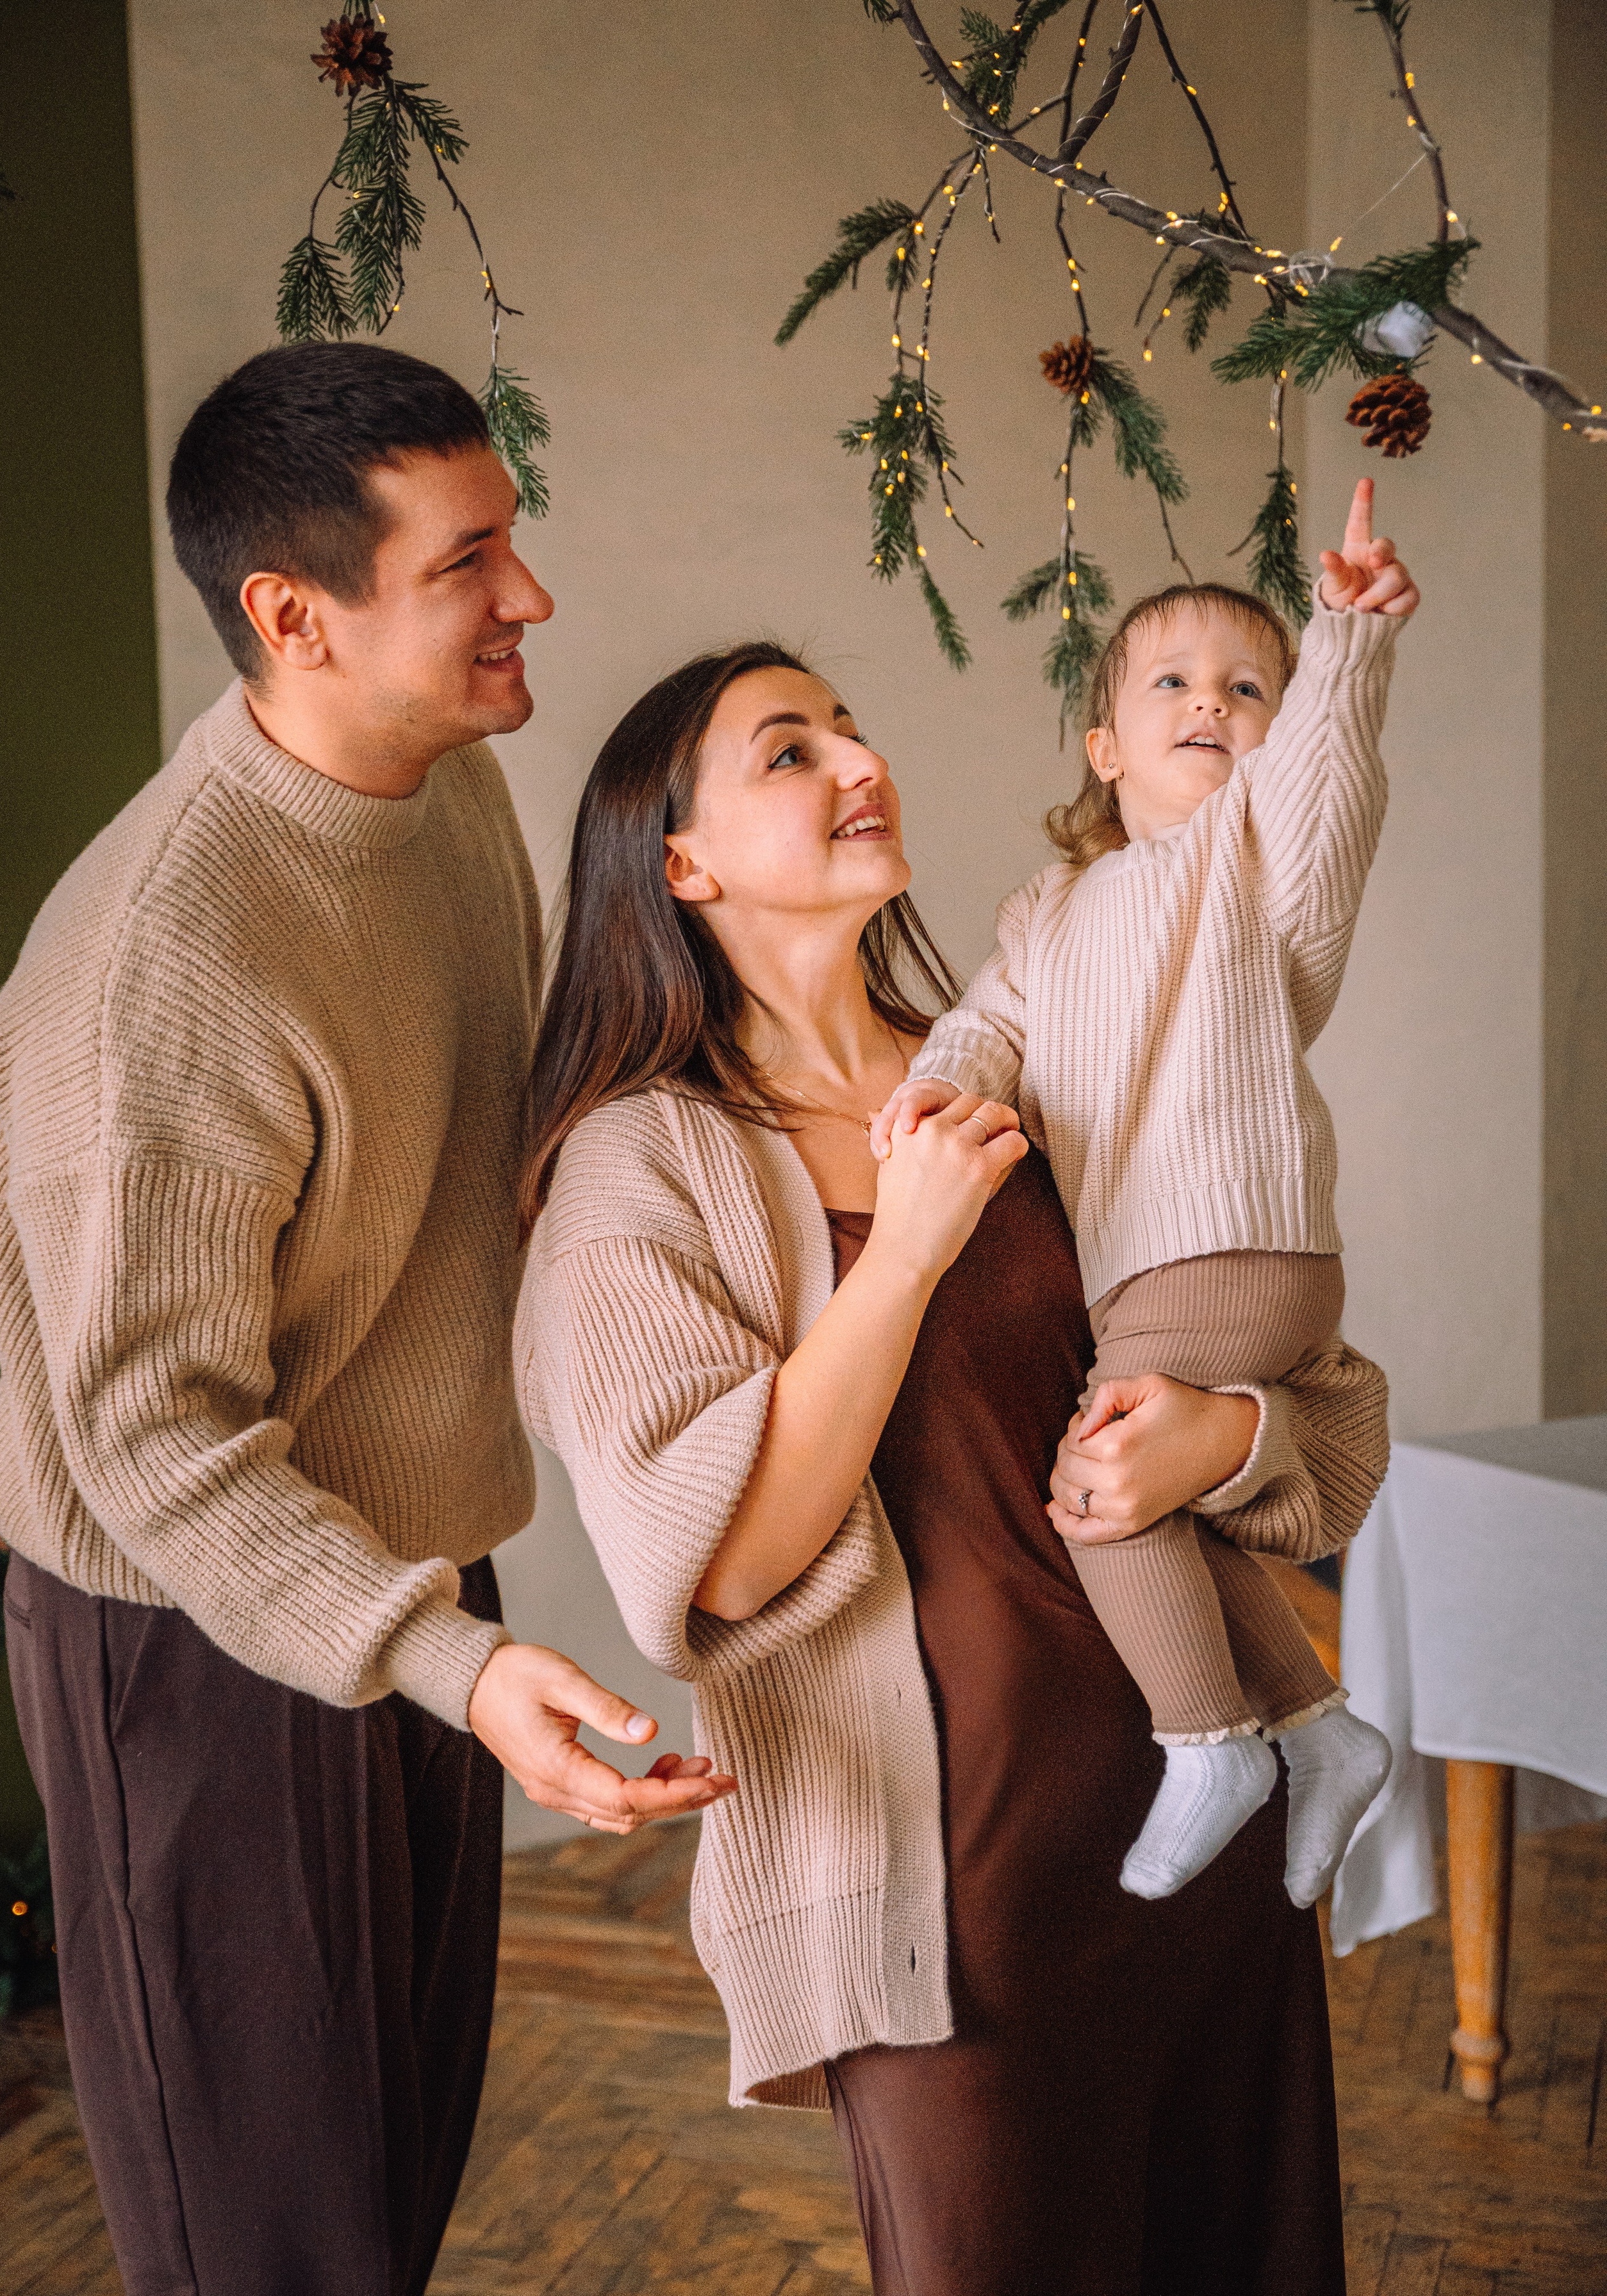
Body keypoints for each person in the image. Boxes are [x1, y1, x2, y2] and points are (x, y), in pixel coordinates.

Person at [0, 341, 730, 2296]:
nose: (530, 599)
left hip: (409, 1586)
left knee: (381, 2194)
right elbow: (153, 1448)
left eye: (513, 541)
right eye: (470, 561)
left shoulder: (446, 792)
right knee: (272, 2249)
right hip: (187, 1632)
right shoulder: (167, 968)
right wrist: (451, 1665)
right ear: (294, 616)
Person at [514, 637, 1390, 2293]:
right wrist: (902, 1253)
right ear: (679, 861)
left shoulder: (1041, 1065)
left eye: (852, 723)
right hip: (955, 1901)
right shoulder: (639, 1162)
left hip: (1210, 1821)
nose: (857, 760)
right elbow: (713, 1569)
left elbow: (1334, 1416)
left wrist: (1236, 1434)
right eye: (789, 750)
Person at [871, 479, 1406, 1905]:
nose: (1209, 702)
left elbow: (1327, 802)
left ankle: (1211, 1740)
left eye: (1247, 686)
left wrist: (1344, 652)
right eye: (1168, 680)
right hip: (1162, 1263)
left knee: (1092, 1495)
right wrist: (942, 1081)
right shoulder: (1048, 909)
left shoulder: (1252, 861)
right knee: (1153, 1498)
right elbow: (992, 1021)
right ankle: (1319, 1726)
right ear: (1102, 743)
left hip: (1227, 1237)